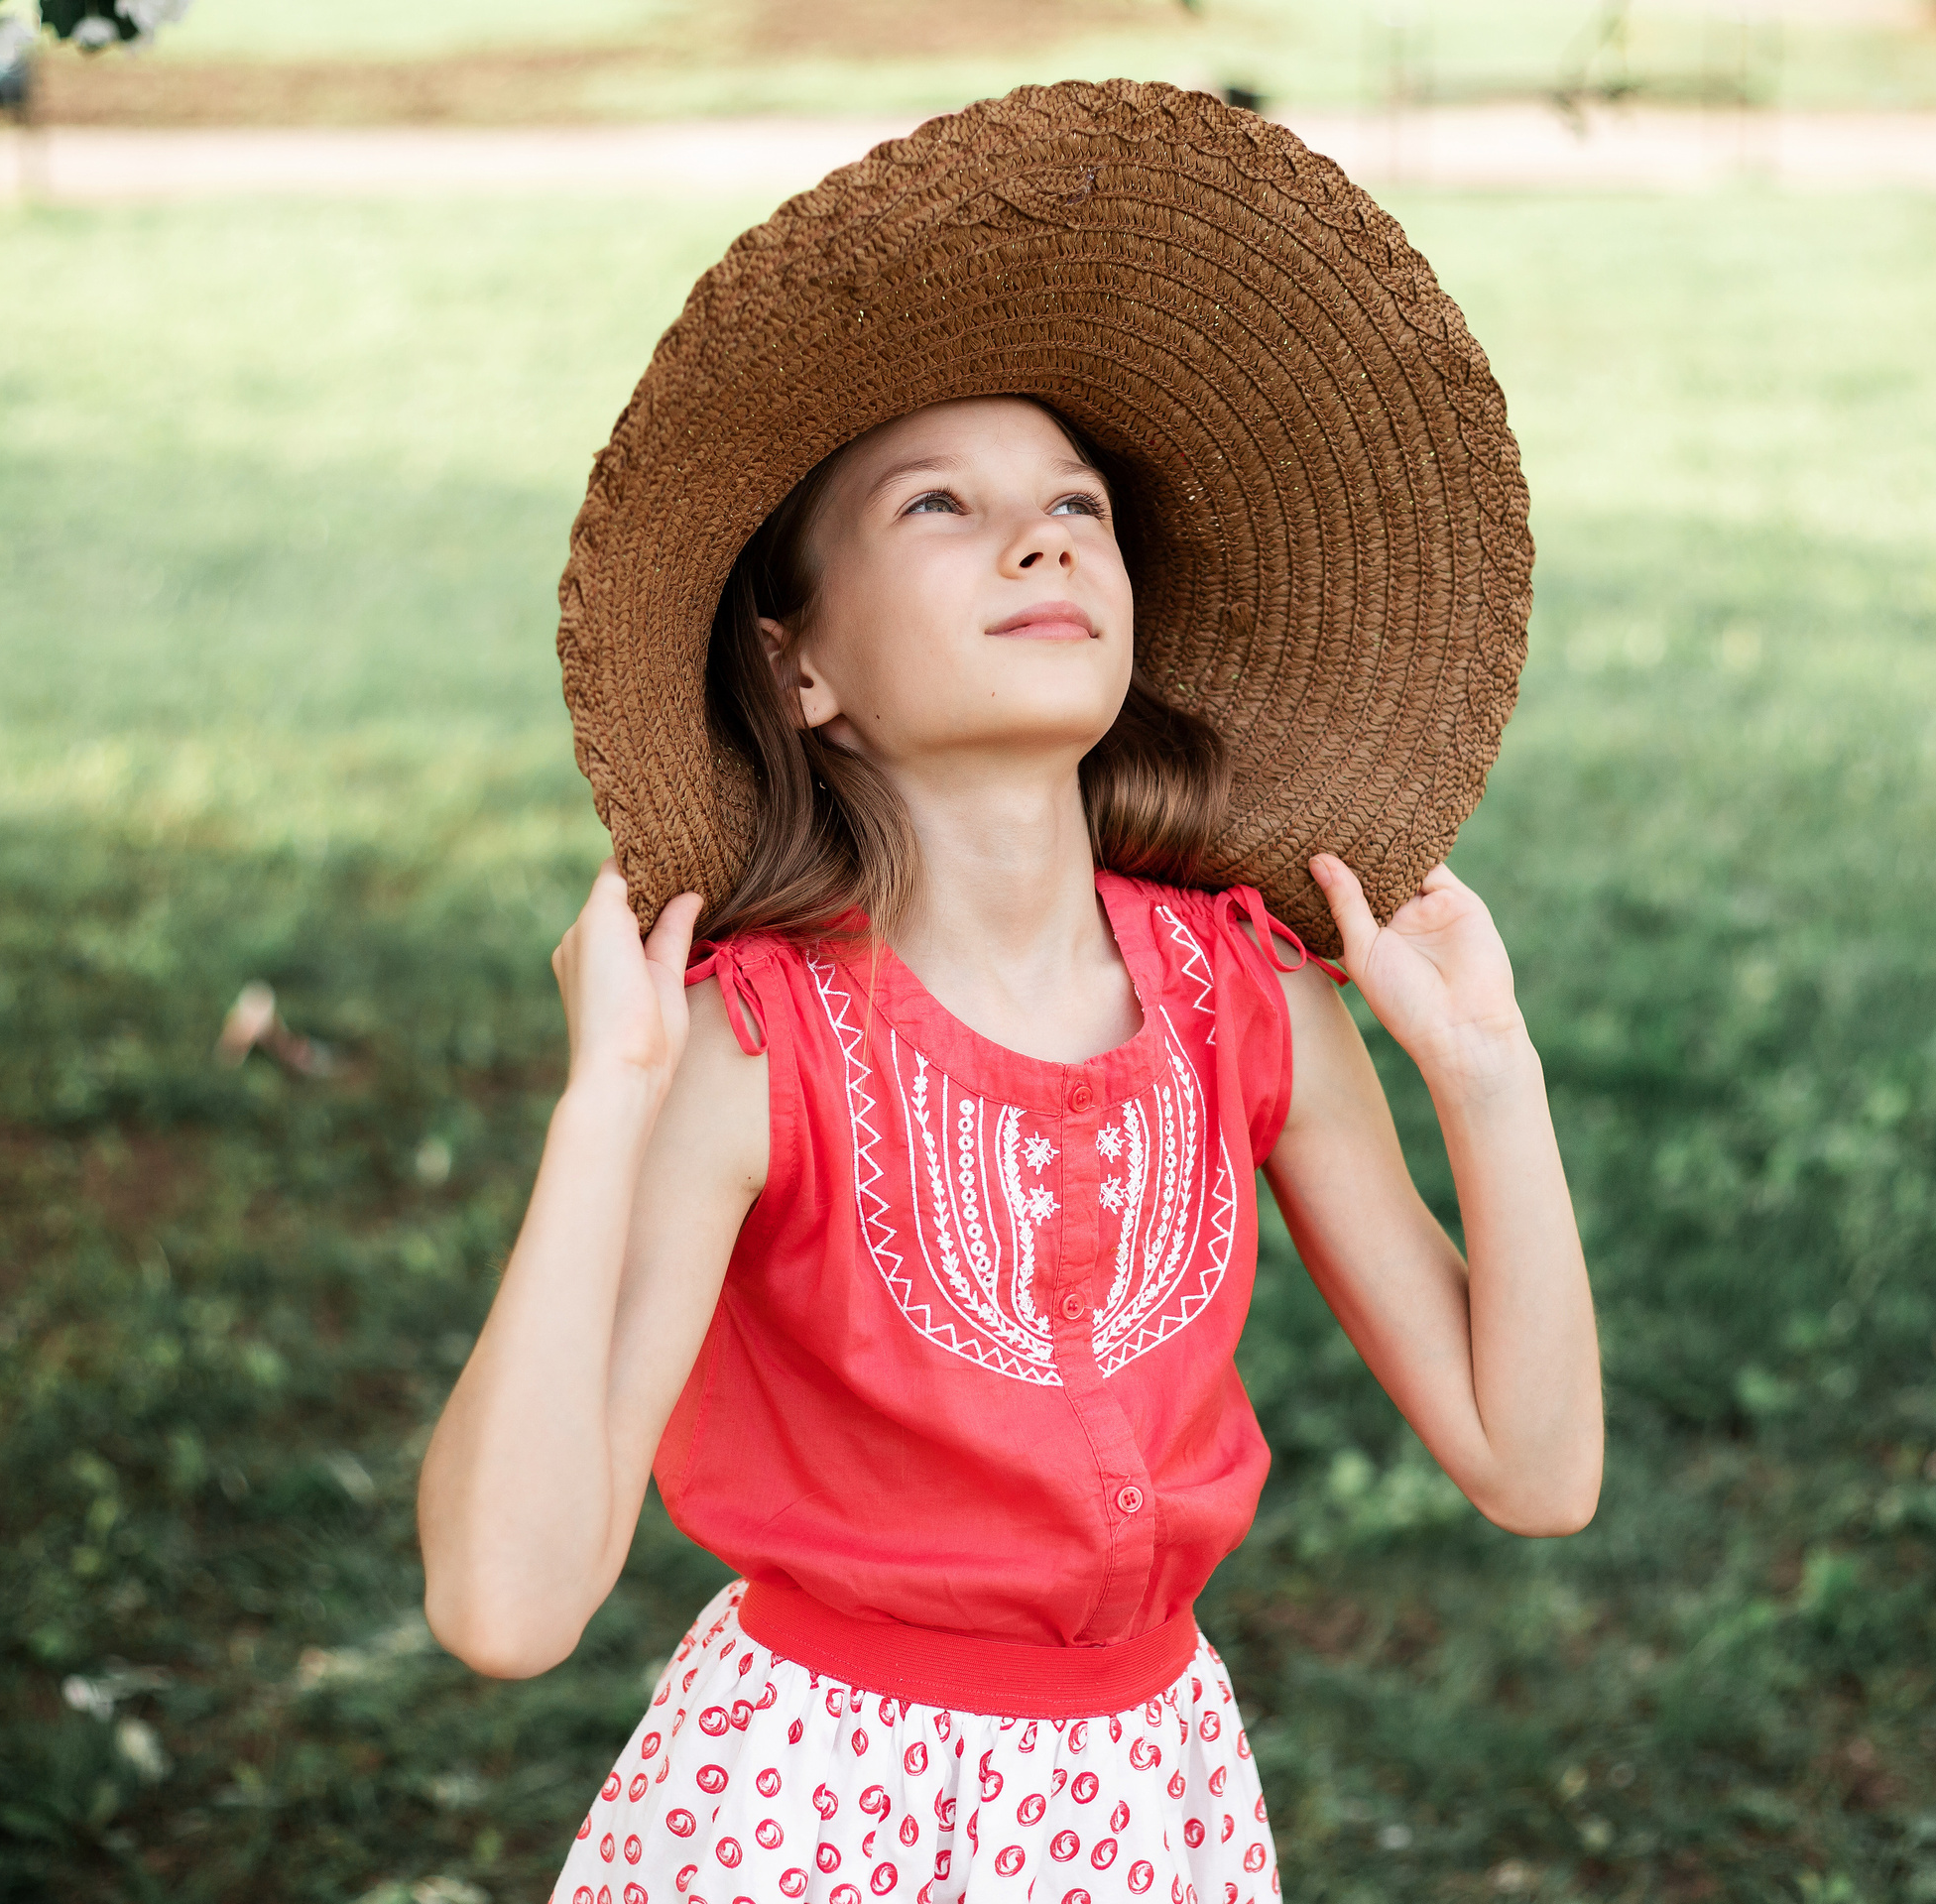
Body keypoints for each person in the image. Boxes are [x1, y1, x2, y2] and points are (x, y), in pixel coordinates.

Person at [416, 81, 1602, 1904]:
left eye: (1076, 504)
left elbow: (1538, 1469)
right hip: (808, 1812)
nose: (1042, 539)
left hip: (1147, 1812)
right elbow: (508, 1607)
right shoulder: (750, 1045)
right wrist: (605, 1107)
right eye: (941, 506)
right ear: (797, 667)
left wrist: (1490, 1073)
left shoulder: (1250, 1002)